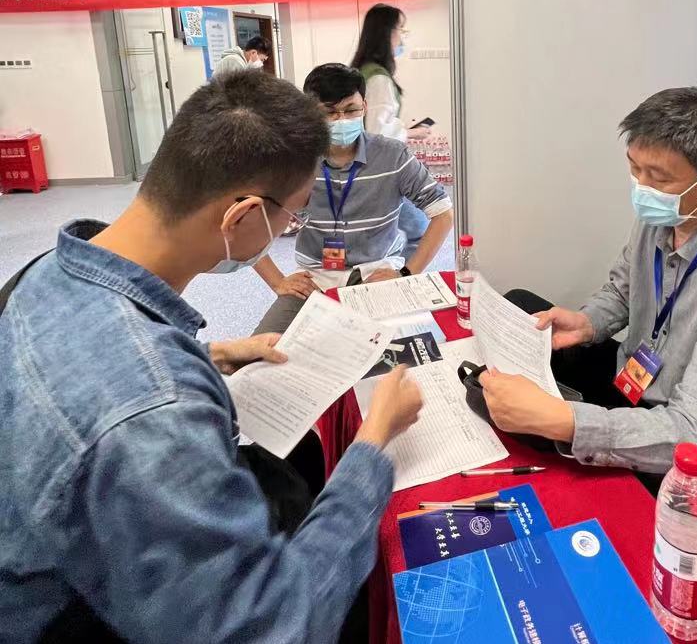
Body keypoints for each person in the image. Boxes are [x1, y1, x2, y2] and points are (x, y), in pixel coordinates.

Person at [0, 71, 423, 643]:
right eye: (293, 216)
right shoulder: (154, 415)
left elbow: (84, 370)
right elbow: (276, 628)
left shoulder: (48, 269)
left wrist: (214, 353)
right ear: (240, 217)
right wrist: (372, 444)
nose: (291, 228)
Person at [483, 86, 697, 511]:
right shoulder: (665, 216)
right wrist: (589, 323)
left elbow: (694, 435)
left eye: (659, 177)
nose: (642, 188)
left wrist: (564, 422)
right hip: (639, 382)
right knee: (522, 308)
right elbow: (622, 290)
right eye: (635, 169)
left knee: (548, 451)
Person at [252, 63, 453, 335]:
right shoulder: (293, 160)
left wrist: (406, 274)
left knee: (393, 351)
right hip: (314, 278)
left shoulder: (393, 156)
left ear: (365, 107)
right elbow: (246, 221)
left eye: (350, 110)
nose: (341, 120)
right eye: (329, 112)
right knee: (262, 350)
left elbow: (443, 214)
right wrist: (277, 281)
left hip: (377, 274)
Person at [351, 3, 433, 260]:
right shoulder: (379, 78)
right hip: (380, 170)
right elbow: (378, 133)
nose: (402, 38)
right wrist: (411, 133)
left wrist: (403, 128)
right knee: (421, 230)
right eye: (401, 30)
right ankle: (407, 277)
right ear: (386, 33)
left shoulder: (362, 71)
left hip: (361, 168)